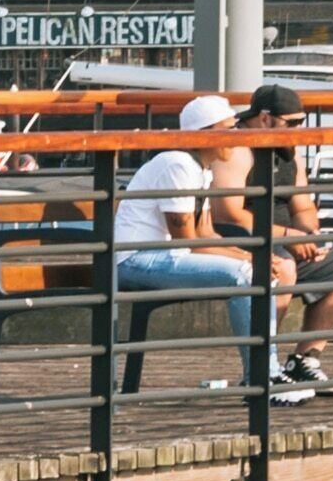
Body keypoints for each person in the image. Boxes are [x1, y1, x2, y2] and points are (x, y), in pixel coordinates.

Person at [112, 92, 314, 400]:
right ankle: (265, 376)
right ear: (204, 134)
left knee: (256, 270)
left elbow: (205, 233)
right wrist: (247, 262)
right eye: (228, 130)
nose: (235, 137)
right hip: (136, 260)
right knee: (245, 276)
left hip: (164, 257)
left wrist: (251, 255)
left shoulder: (200, 168)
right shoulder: (177, 164)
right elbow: (187, 241)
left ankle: (264, 374)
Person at [211, 82, 333, 400]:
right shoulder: (237, 149)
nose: (298, 129)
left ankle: (305, 359)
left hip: (287, 240)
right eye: (292, 123)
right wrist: (287, 236)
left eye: (301, 122)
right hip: (245, 242)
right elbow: (229, 215)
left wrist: (309, 235)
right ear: (265, 119)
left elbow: (304, 204)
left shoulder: (289, 152)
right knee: (282, 267)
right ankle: (262, 368)